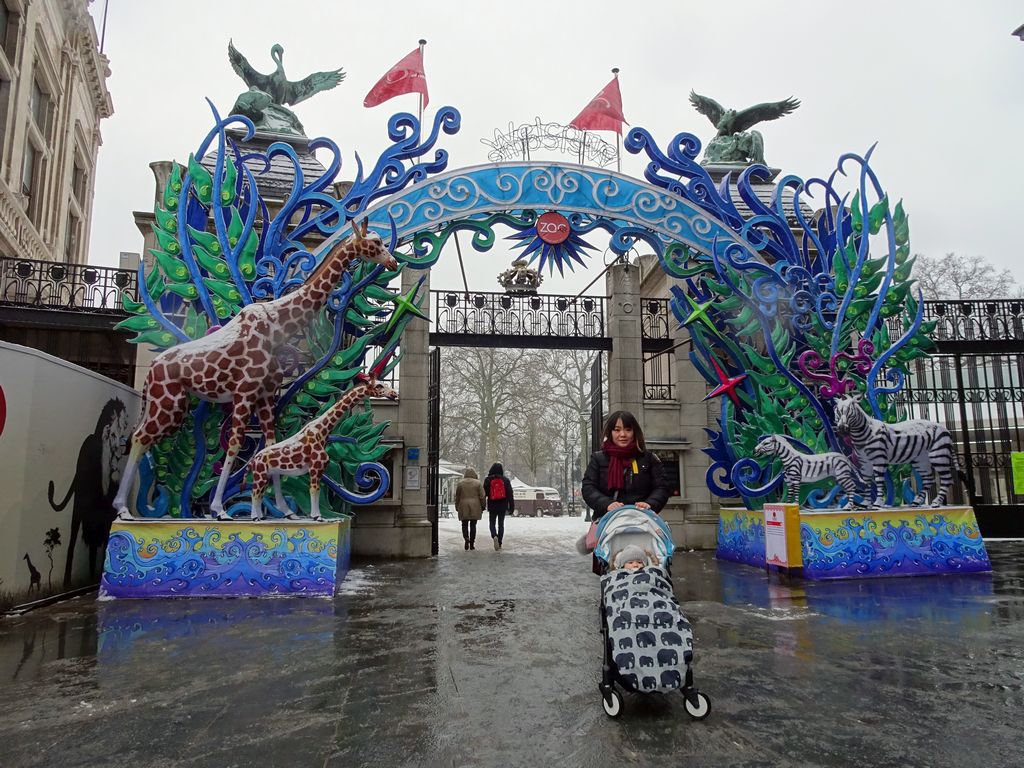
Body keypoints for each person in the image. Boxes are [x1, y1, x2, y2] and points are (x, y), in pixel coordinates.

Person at [581, 410, 670, 573]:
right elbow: (588, 487)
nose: (622, 434)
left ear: (635, 432)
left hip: (643, 524)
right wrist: (606, 504)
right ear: (610, 432)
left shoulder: (648, 459)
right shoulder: (598, 459)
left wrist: (650, 503)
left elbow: (662, 487)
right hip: (609, 525)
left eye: (628, 429)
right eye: (617, 429)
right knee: (610, 570)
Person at [483, 462, 515, 550]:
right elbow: (510, 494)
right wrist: (511, 507)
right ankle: (500, 543)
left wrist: (482, 505)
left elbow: (484, 493)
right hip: (502, 505)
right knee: (501, 525)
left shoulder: (488, 480)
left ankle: (494, 536)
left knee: (492, 523)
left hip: (492, 505)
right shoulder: (505, 480)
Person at [454, 467, 485, 550]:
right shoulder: (478, 483)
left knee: (464, 524)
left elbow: (457, 496)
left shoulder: (460, 483)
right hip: (475, 505)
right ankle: (472, 543)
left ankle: (466, 538)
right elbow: (482, 496)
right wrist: (483, 506)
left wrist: (456, 506)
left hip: (463, 505)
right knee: (473, 525)